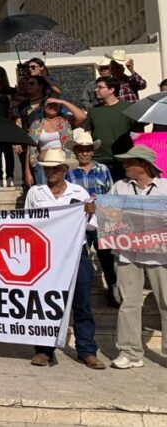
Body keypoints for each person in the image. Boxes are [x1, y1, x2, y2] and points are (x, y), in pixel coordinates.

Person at [23, 149, 104, 369]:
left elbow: (92, 226)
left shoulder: (79, 192)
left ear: (64, 170)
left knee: (82, 303)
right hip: (47, 256)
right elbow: (27, 223)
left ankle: (86, 350)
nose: (50, 172)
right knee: (45, 303)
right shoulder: (35, 193)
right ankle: (44, 350)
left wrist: (88, 212)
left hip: (77, 253)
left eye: (54, 168)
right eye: (46, 168)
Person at [104, 146, 167, 369]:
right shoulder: (119, 187)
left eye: (128, 162)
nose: (124, 165)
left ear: (143, 165)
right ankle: (130, 353)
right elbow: (108, 217)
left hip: (161, 256)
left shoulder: (165, 187)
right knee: (128, 303)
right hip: (127, 253)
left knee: (166, 303)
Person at [66, 129, 118, 308]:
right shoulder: (70, 174)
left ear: (93, 151)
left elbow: (112, 195)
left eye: (88, 149)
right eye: (81, 149)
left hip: (101, 220)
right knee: (80, 258)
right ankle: (81, 296)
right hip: (80, 221)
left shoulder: (103, 170)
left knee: (107, 259)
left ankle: (113, 292)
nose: (85, 153)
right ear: (75, 152)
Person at [57, 77, 133, 182]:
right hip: (99, 161)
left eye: (100, 87)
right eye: (96, 87)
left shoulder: (128, 108)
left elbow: (137, 134)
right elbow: (87, 134)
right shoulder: (93, 111)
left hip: (124, 160)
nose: (96, 90)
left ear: (111, 90)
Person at [26, 98, 74, 186]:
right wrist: (28, 172)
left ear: (59, 107)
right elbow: (29, 149)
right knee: (44, 193)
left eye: (55, 104)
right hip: (42, 166)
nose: (52, 107)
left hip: (64, 163)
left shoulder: (65, 121)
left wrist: (63, 101)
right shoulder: (36, 124)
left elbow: (82, 117)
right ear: (43, 107)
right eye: (49, 104)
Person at [0, 66, 17, 187]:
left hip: (6, 124)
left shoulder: (9, 91)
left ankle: (10, 176)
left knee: (7, 151)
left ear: (2, 75)